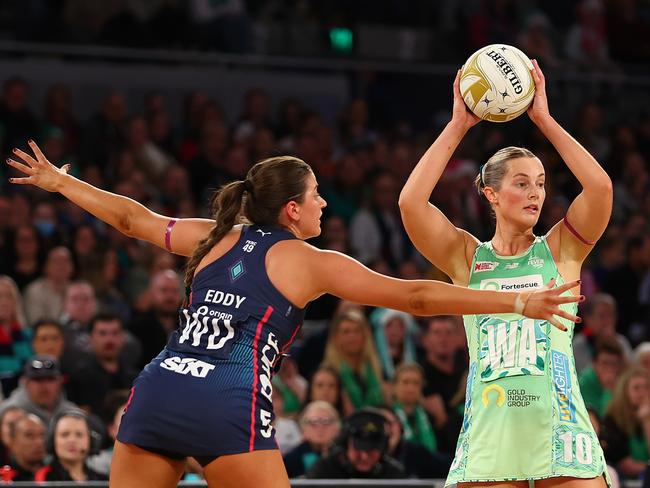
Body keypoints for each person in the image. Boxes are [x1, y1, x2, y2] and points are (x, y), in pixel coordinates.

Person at [7, 141, 581, 488]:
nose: (324, 203)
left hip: (157, 388)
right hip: (226, 397)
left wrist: (61, 183)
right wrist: (515, 301)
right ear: (291, 208)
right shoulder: (308, 261)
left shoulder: (215, 236)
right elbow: (417, 298)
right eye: (316, 196)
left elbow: (133, 220)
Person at [398, 60, 612, 486]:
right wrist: (459, 125)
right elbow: (410, 203)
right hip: (491, 433)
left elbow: (600, 188)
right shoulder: (467, 259)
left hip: (561, 430)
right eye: (521, 183)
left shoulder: (560, 249)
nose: (535, 192)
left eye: (541, 182)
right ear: (491, 194)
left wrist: (544, 120)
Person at [305, 407, 404, 479]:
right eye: (358, 449)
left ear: (383, 449)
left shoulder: (393, 475)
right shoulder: (324, 471)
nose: (364, 457)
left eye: (371, 451)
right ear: (345, 444)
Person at [601, 367, 650, 480]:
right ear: (624, 391)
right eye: (636, 388)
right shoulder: (612, 420)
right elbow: (627, 466)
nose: (642, 392)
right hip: (620, 478)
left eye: (646, 387)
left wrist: (646, 421)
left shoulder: (647, 415)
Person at [34, 409, 107, 481]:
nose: (72, 440)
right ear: (52, 440)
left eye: (79, 435)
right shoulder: (43, 479)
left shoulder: (103, 480)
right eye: (64, 434)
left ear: (91, 440)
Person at [282, 400, 340, 478]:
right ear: (303, 429)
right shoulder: (291, 459)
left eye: (326, 421)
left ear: (336, 427)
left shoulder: (346, 456)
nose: (320, 428)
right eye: (314, 422)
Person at [2, 413, 46, 481]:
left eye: (42, 435)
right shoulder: (4, 477)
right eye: (30, 435)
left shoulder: (56, 474)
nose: (39, 442)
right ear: (12, 441)